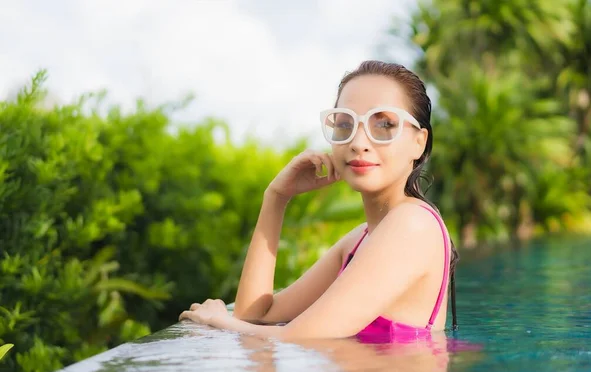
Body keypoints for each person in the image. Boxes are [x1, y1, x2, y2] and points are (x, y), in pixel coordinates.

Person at [179, 60, 459, 341]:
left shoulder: (413, 224)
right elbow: (257, 315)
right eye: (345, 124)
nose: (358, 142)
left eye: (384, 124)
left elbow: (298, 336)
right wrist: (276, 198)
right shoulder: (359, 239)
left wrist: (217, 320)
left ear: (418, 142)